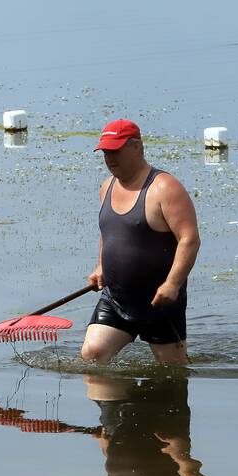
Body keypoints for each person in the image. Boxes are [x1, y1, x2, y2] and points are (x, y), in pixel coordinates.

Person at [82, 119, 200, 365]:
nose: (109, 158)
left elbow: (189, 239)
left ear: (137, 147)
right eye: (105, 152)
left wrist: (172, 285)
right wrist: (101, 266)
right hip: (116, 297)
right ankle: (120, 404)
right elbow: (110, 232)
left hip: (159, 301)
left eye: (115, 151)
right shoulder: (107, 187)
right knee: (93, 355)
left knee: (172, 373)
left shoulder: (165, 188)